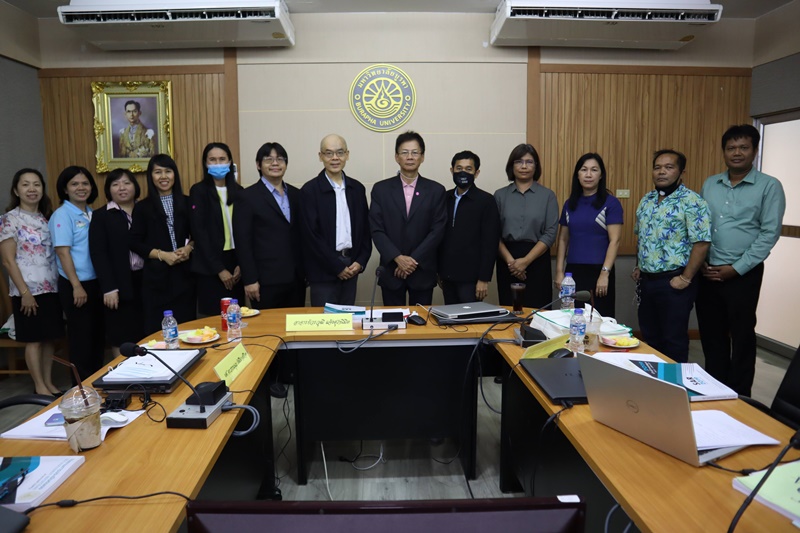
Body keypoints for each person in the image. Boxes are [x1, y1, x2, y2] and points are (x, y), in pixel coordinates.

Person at [697, 124, 786, 396]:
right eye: (731, 148)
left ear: (755, 151)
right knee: (711, 337)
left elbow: (769, 234)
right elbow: (699, 226)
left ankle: (741, 397)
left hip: (743, 274)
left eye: (743, 147)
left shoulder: (769, 186)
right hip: (707, 272)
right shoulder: (710, 184)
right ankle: (714, 391)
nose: (737, 153)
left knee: (742, 337)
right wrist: (700, 262)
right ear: (724, 152)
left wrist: (735, 269)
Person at [632, 150, 711, 363]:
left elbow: (701, 243)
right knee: (649, 337)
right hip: (647, 281)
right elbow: (642, 236)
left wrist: (686, 277)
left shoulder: (692, 201)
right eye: (657, 167)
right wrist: (638, 266)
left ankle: (674, 383)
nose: (662, 172)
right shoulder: (647, 200)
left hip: (675, 281)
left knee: (673, 339)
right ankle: (652, 381)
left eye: (669, 167)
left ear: (681, 172)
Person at [0, 169, 64, 396]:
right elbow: (8, 261)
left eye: (36, 184)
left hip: (51, 287)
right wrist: (25, 292)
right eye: (25, 184)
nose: (32, 189)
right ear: (16, 190)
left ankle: (48, 382)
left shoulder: (47, 218)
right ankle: (39, 386)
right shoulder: (9, 219)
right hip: (27, 291)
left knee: (49, 339)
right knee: (34, 340)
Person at [369, 131, 447, 306]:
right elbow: (376, 229)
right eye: (404, 152)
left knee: (420, 321)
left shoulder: (436, 190)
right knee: (392, 320)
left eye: (415, 152)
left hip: (422, 271)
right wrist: (398, 258)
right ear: (396, 157)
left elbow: (437, 230)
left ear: (422, 157)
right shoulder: (381, 189)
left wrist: (412, 261)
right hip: (392, 270)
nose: (410, 157)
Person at [300, 134, 371, 306]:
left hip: (352, 267)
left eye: (340, 152)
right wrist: (337, 267)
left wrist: (360, 262)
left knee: (349, 320)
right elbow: (311, 237)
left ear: (347, 154)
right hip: (323, 270)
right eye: (329, 153)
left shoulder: (357, 189)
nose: (335, 158)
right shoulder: (310, 190)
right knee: (325, 321)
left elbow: (365, 231)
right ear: (320, 156)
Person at [49, 166, 105, 381]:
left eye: (85, 183)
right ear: (65, 189)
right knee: (81, 340)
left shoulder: (91, 213)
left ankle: (96, 383)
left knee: (97, 337)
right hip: (76, 285)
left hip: (96, 283)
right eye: (74, 184)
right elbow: (63, 252)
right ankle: (82, 388)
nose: (81, 188)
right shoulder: (62, 215)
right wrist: (76, 285)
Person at [130, 154, 195, 335]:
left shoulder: (187, 202)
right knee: (158, 332)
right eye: (158, 172)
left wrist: (189, 248)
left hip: (185, 277)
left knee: (187, 331)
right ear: (150, 176)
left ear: (175, 174)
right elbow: (134, 242)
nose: (163, 176)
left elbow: (198, 235)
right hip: (156, 280)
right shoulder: (142, 207)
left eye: (168, 171)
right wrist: (163, 255)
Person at [234, 142, 305, 310]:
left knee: (295, 324)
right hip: (265, 281)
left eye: (280, 159)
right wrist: (250, 280)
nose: (275, 163)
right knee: (268, 326)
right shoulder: (246, 197)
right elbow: (243, 242)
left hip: (296, 278)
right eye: (268, 159)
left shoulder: (297, 194)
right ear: (258, 165)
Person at [555, 153, 623, 318]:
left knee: (600, 320)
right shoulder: (569, 204)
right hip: (572, 274)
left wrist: (604, 274)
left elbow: (615, 240)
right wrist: (559, 271)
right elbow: (563, 239)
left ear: (601, 175)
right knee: (572, 319)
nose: (588, 174)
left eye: (594, 170)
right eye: (584, 170)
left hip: (599, 271)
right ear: (577, 175)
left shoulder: (611, 203)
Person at [494, 143, 558, 309]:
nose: (524, 166)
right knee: (510, 310)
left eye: (529, 162)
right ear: (511, 166)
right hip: (507, 259)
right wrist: (512, 263)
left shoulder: (548, 196)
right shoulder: (500, 195)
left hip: (537, 260)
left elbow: (550, 233)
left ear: (536, 166)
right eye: (519, 162)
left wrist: (526, 261)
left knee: (538, 311)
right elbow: (493, 233)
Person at [89, 169, 145, 357]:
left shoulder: (145, 210)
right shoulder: (101, 216)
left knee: (147, 333)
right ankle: (123, 373)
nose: (122, 188)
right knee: (121, 335)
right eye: (115, 184)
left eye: (127, 183)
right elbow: (98, 254)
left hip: (147, 281)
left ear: (135, 187)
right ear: (108, 189)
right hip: (118, 284)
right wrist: (109, 288)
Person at [438, 150, 500, 304]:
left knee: (471, 317)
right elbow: (438, 236)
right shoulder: (444, 198)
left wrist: (484, 278)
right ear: (452, 170)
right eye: (459, 168)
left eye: (468, 169)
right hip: (447, 275)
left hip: (472, 278)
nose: (463, 172)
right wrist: (438, 271)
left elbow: (490, 243)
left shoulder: (486, 201)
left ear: (476, 173)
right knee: (450, 316)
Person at [189, 142, 245, 317]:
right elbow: (199, 233)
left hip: (236, 261)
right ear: (205, 163)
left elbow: (245, 231)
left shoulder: (240, 191)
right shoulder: (199, 191)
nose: (218, 163)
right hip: (210, 264)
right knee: (213, 319)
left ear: (230, 162)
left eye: (222, 159)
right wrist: (219, 269)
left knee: (236, 317)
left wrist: (242, 263)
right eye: (212, 160)